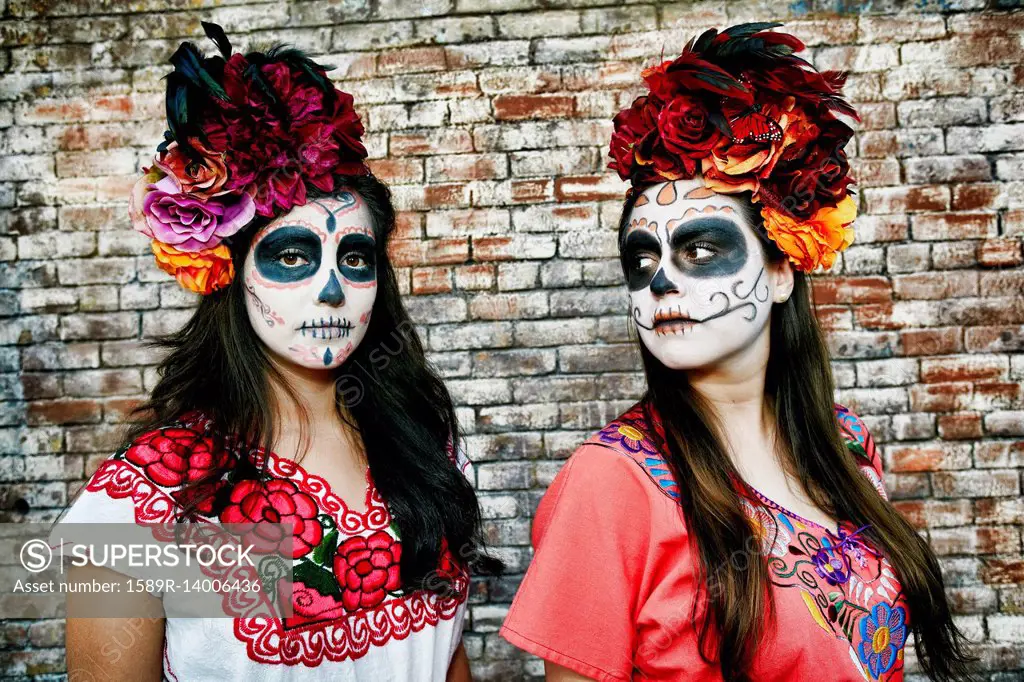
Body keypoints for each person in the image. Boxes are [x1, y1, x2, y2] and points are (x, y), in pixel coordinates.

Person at [499, 23, 974, 682]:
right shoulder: (609, 484)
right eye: (642, 260)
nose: (661, 281)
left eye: (700, 250)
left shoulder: (847, 443)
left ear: (782, 270)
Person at [53, 23, 498, 681]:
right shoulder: (133, 502)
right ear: (230, 273)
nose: (330, 289)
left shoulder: (426, 444)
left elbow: (445, 655)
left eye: (355, 257)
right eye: (291, 255)